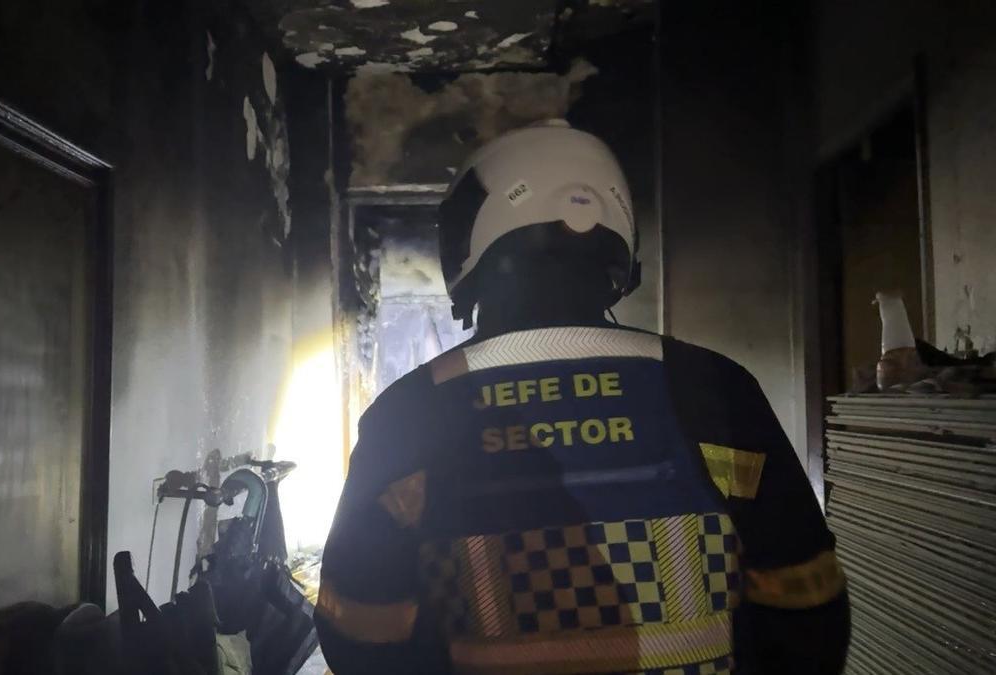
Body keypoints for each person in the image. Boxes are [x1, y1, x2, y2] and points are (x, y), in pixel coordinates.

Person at [314, 120, 850, 674]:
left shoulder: (409, 414)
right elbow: (809, 610)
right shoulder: (718, 386)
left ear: (472, 237)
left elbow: (357, 632)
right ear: (617, 242)